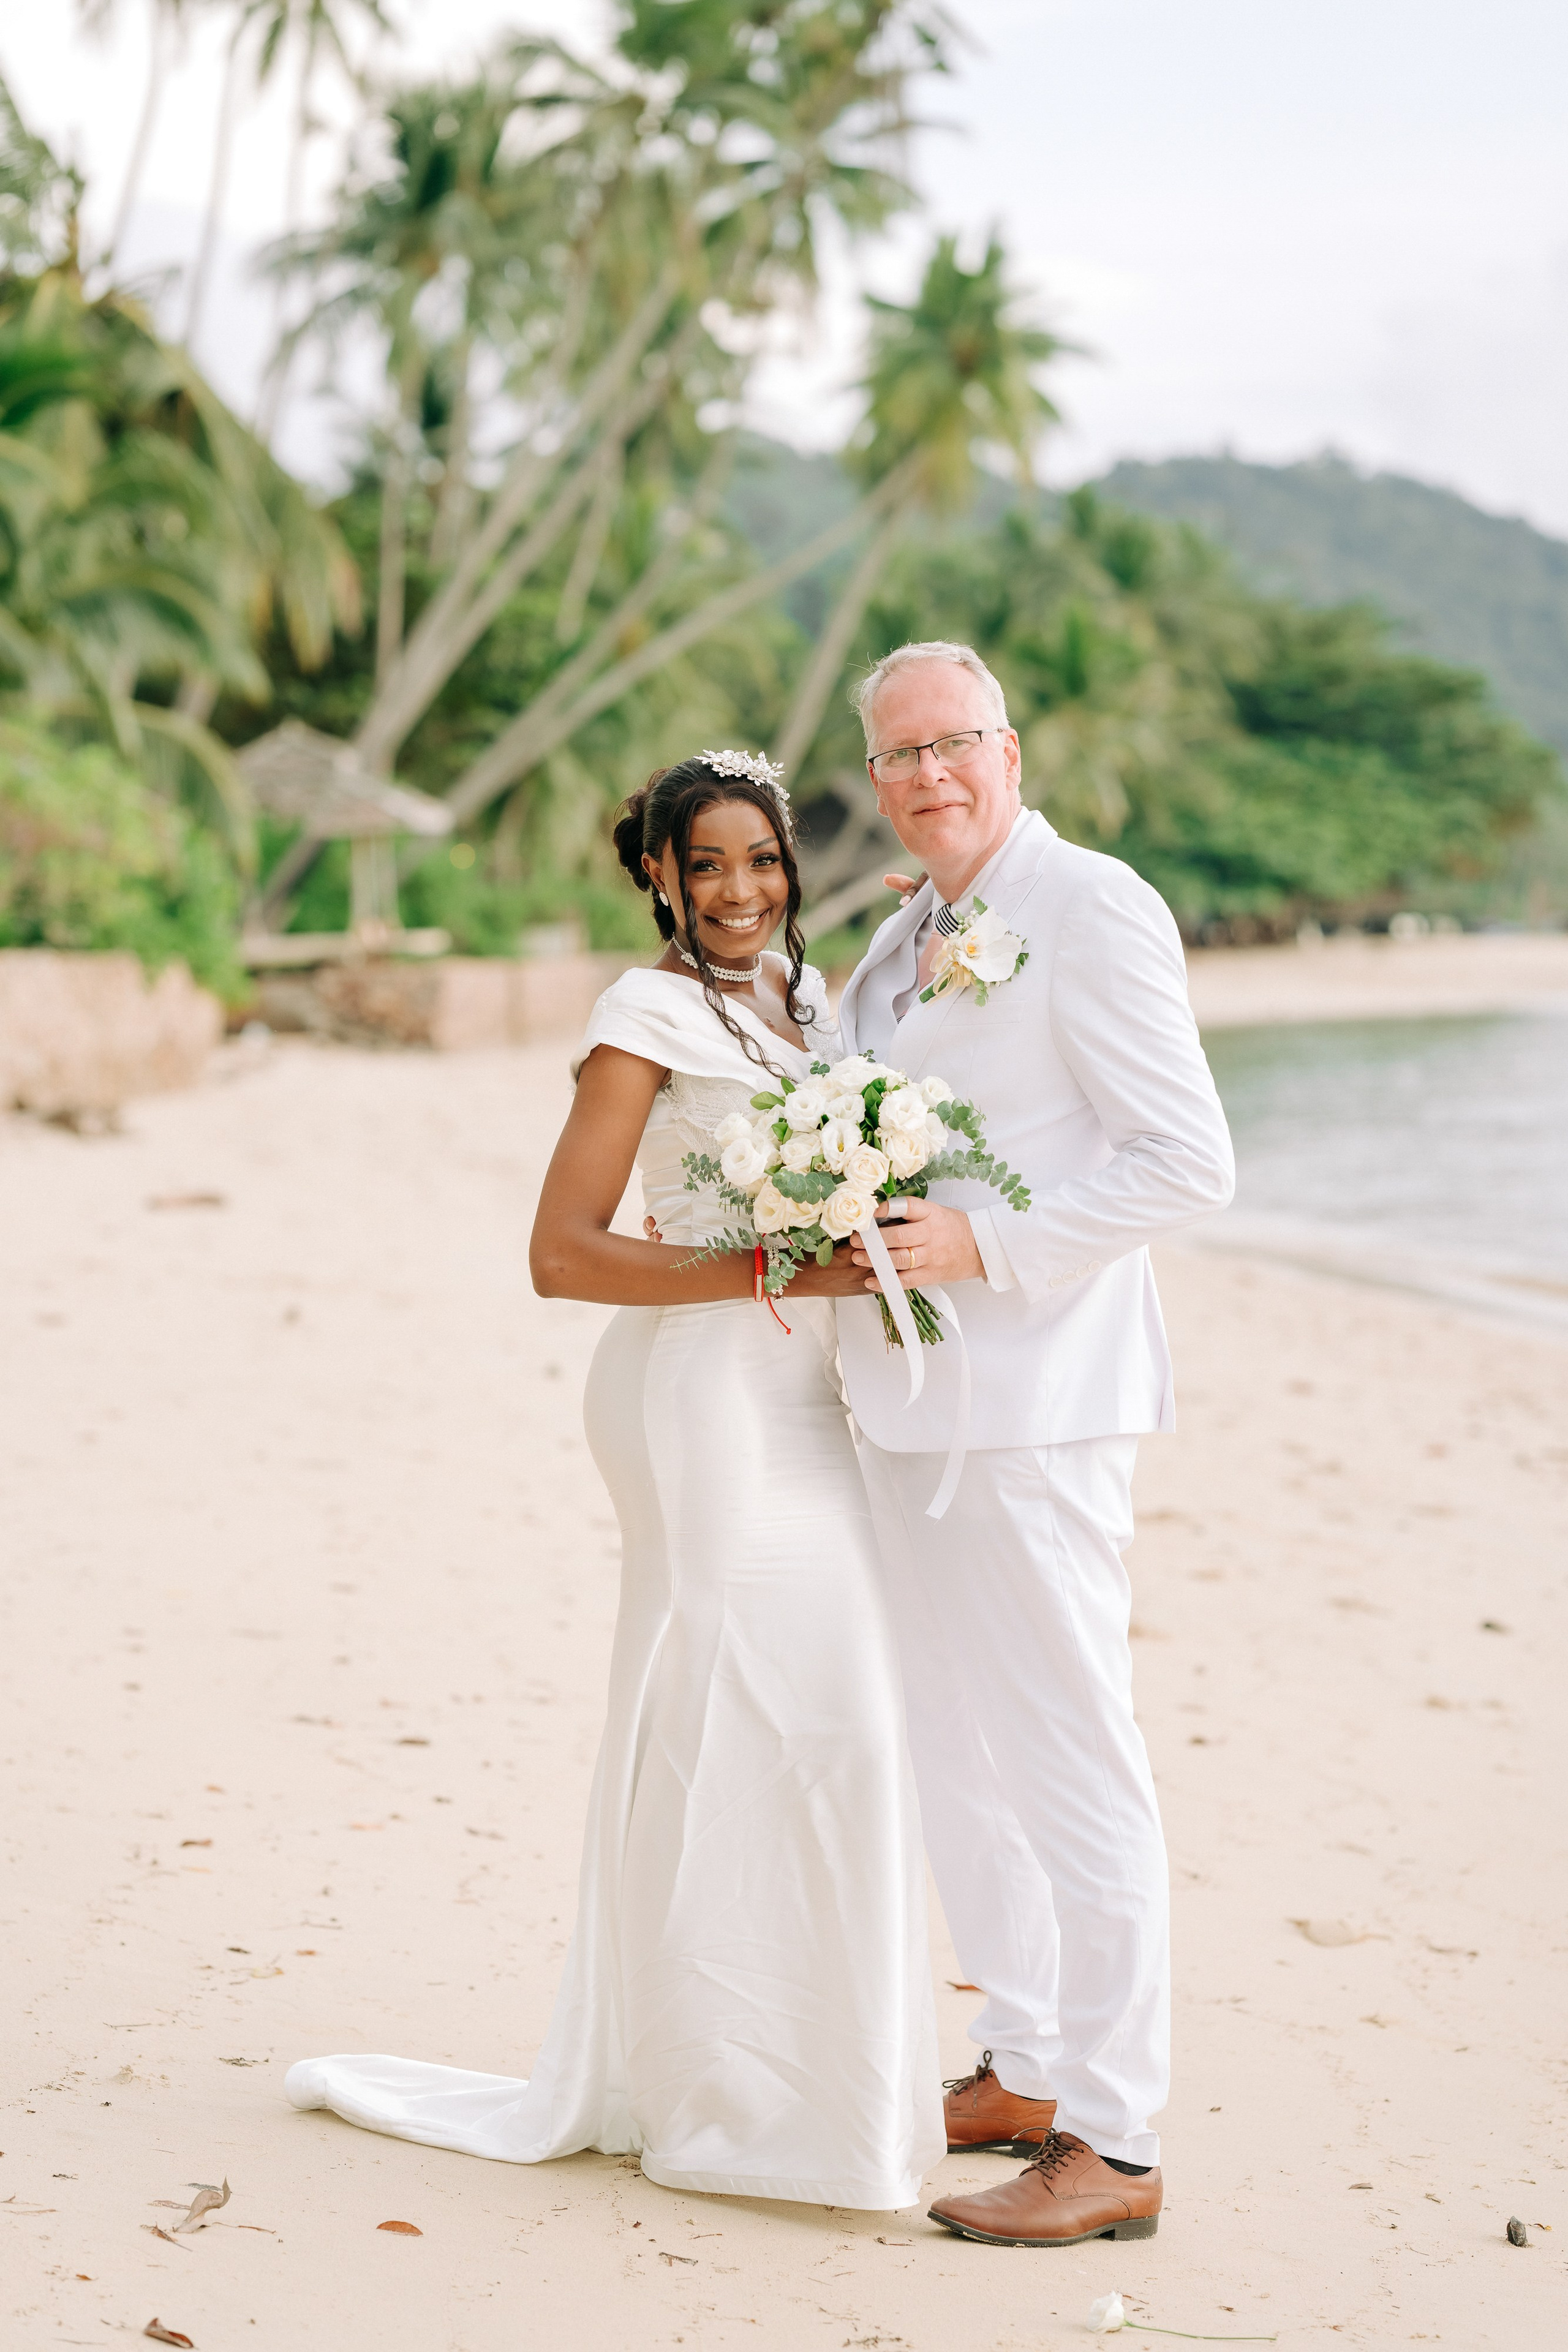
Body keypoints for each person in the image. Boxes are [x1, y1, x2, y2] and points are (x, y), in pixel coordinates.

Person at [285, 750, 944, 2211]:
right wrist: (771, 1261)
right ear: (654, 872)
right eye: (703, 865)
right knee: (746, 1717)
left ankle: (808, 2086)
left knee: (837, 1726)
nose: (736, 890)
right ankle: (723, 2096)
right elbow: (560, 1252)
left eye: (759, 860)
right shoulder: (640, 1015)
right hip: (698, 1398)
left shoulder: (806, 998)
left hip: (802, 1392)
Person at [832, 640, 1235, 2248]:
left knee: (1072, 1752)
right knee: (956, 1745)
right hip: (911, 1408)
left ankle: (1119, 2140)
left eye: (955, 743)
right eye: (899, 755)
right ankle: (1022, 2059)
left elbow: (1186, 1164)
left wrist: (986, 1247)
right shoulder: (895, 939)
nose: (929, 774)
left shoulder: (1093, 907)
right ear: (877, 781)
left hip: (1041, 1402)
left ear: (1010, 747)